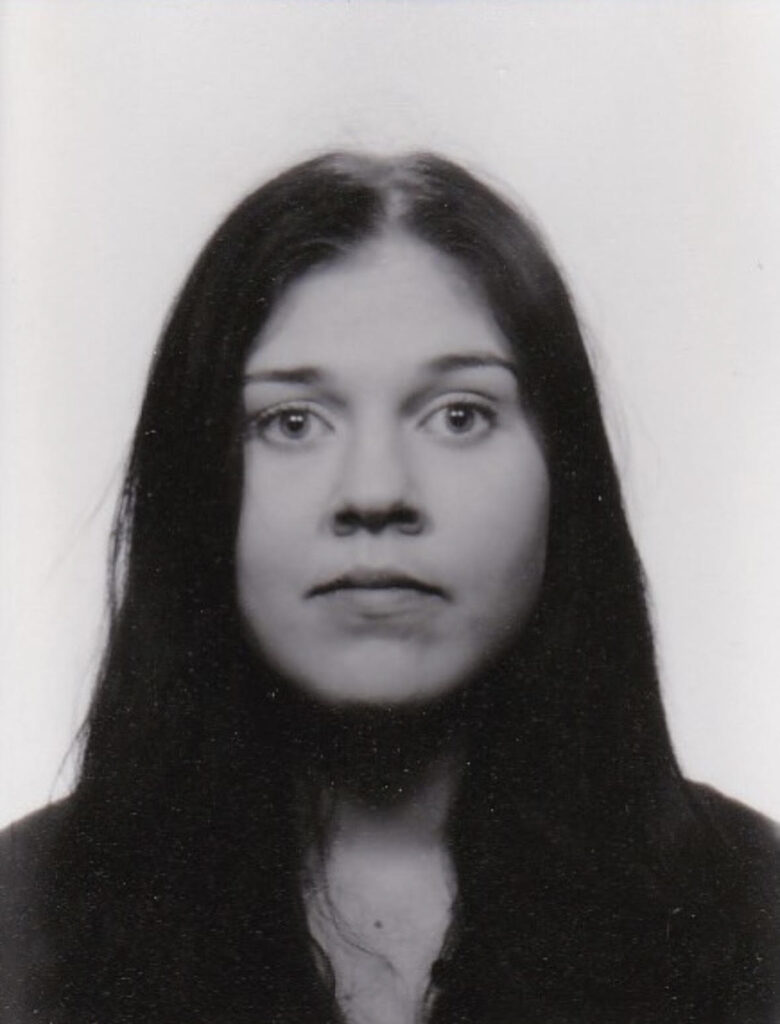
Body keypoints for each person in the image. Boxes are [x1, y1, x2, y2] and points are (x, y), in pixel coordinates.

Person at [1, 152, 778, 1024]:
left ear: (565, 473)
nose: (375, 492)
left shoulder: (753, 908)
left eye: (459, 415)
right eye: (292, 421)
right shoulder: (22, 922)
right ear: (193, 480)